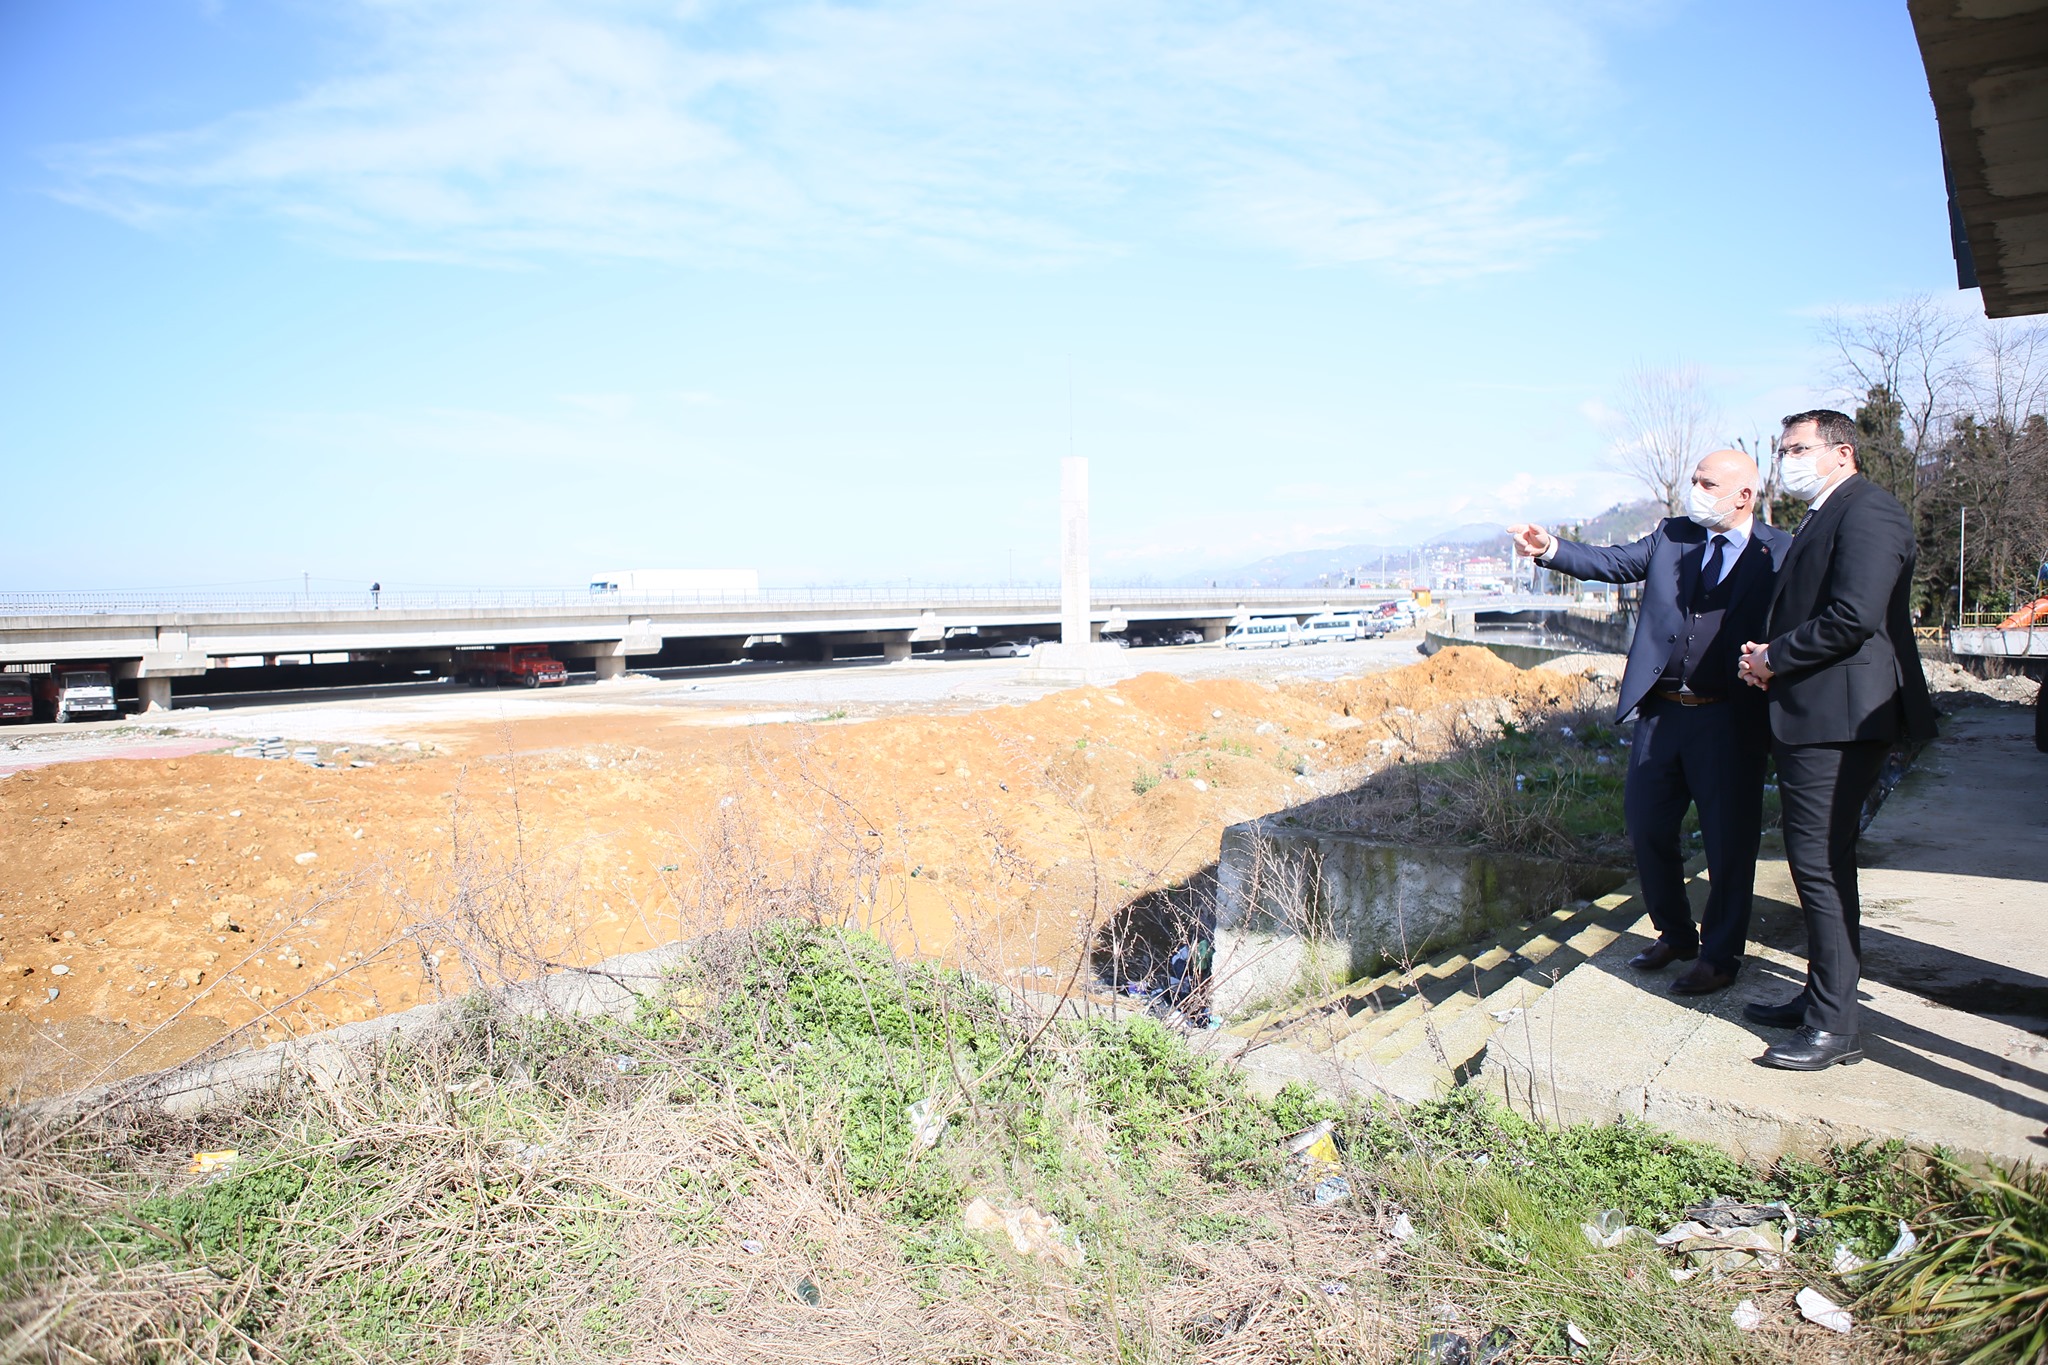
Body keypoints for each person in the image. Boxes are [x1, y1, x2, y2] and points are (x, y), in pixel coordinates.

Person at [1509, 449, 1790, 996]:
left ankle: (1721, 955)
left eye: (1708, 484)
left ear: (1743, 496)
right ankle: (1676, 933)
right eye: (1694, 482)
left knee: (1729, 844)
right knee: (1646, 827)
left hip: (1731, 720)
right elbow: (1613, 563)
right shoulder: (1673, 535)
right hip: (1662, 713)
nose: (1696, 491)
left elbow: (1802, 622)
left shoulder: (1780, 552)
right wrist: (1550, 549)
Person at [1737, 410, 1937, 1071]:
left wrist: (1774, 656)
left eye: (1798, 447)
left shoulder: (1868, 511)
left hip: (1842, 720)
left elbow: (1852, 616)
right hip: (1816, 715)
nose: (1786, 458)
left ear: (1841, 452)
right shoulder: (1827, 512)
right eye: (1782, 447)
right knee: (1816, 866)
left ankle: (1834, 1026)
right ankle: (1824, 998)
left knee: (1820, 865)